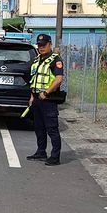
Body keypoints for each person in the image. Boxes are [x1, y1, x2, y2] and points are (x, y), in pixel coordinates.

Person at [26, 34, 64, 166]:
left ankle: (55, 156)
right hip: (36, 98)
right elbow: (34, 79)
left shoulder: (55, 60)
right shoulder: (37, 60)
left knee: (52, 128)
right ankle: (41, 151)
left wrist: (47, 92)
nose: (41, 47)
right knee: (39, 127)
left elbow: (59, 79)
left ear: (50, 44)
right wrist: (32, 96)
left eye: (44, 45)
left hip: (48, 99)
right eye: (39, 45)